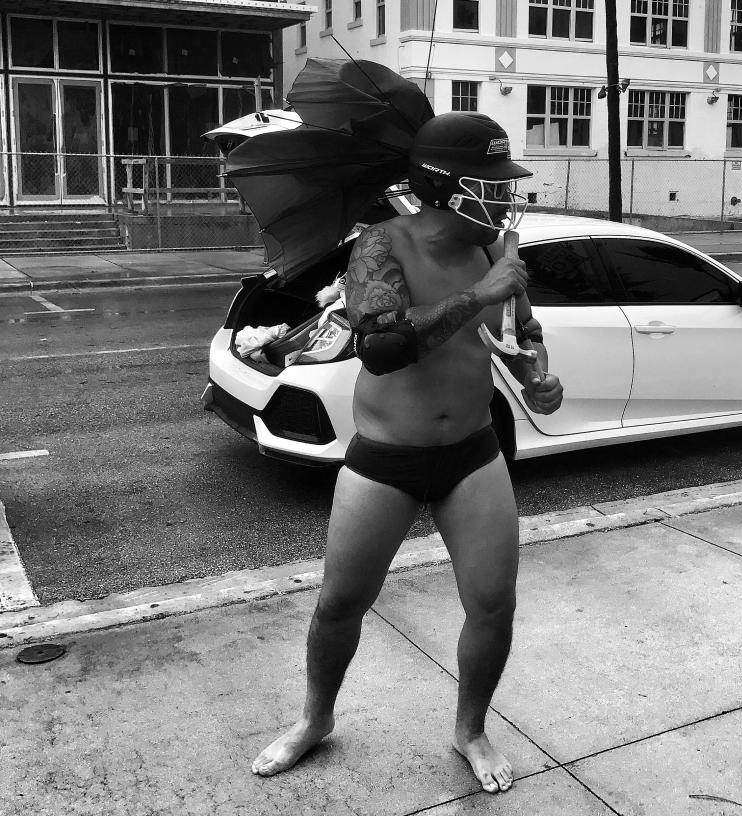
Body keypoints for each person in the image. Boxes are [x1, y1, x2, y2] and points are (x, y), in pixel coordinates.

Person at [251, 112, 564, 794]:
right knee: (340, 604)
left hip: (472, 455)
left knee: (492, 606)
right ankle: (315, 720)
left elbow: (521, 331)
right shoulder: (379, 246)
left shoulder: (493, 252)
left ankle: (470, 729)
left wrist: (538, 376)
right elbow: (383, 349)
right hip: (384, 461)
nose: (505, 197)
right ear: (445, 186)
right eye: (491, 183)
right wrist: (479, 295)